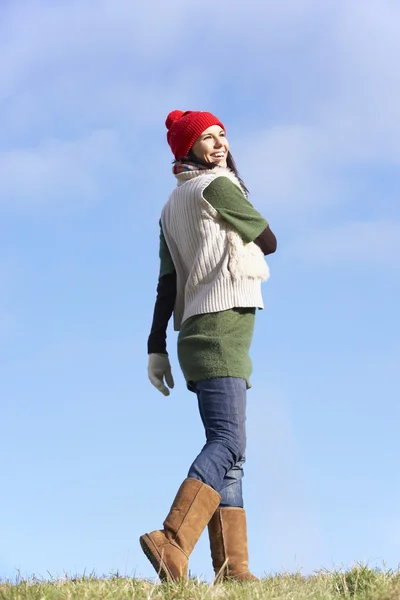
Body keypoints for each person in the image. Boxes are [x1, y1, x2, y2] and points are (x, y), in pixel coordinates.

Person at [140, 110, 277, 583]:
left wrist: (155, 345)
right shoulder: (218, 186)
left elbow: (166, 283)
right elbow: (269, 239)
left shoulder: (171, 205)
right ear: (186, 147)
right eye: (206, 137)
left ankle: (233, 570)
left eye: (222, 135)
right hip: (222, 327)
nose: (218, 144)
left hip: (194, 334)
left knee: (232, 454)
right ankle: (172, 540)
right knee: (228, 441)